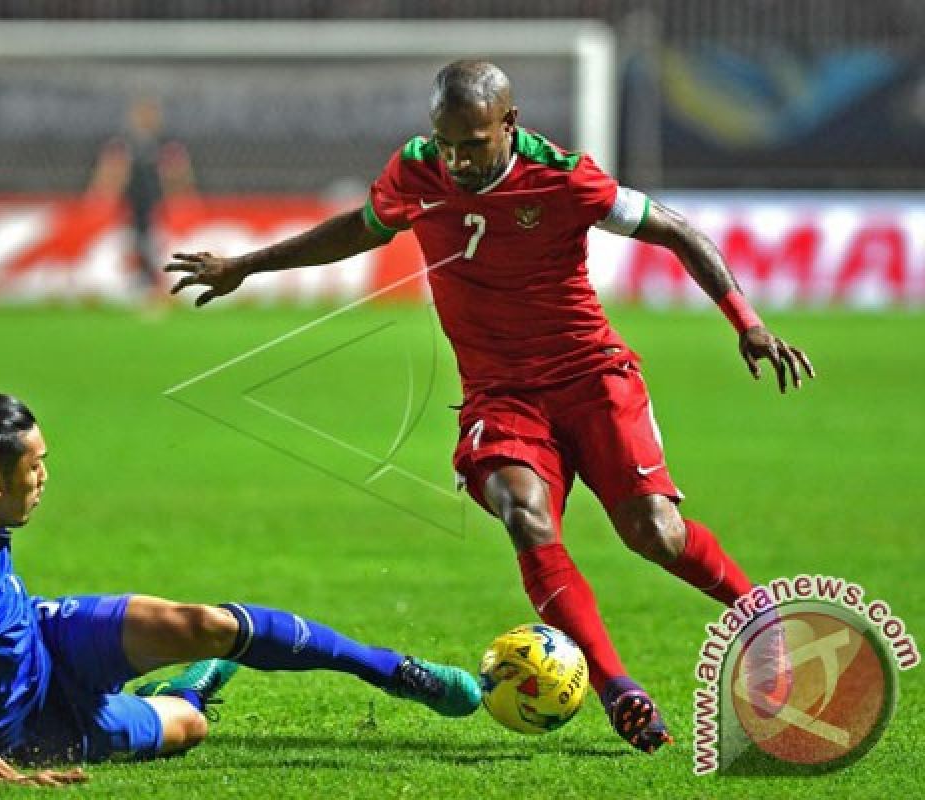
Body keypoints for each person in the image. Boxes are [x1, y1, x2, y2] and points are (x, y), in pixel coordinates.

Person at [167, 60, 815, 754]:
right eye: (445, 142)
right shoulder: (417, 171)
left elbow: (678, 231)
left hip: (591, 376)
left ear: (509, 124)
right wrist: (245, 266)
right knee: (523, 511)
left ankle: (759, 614)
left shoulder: (566, 177)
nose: (457, 159)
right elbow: (360, 228)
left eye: (473, 143)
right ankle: (616, 686)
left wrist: (746, 321)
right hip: (500, 395)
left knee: (652, 533)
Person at [0, 391, 480, 785]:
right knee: (190, 727)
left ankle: (393, 671)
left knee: (203, 619)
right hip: (35, 724)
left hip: (41, 635)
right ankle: (189, 693)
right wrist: (3, 777)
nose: (45, 476)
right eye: (34, 468)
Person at [87, 96, 193, 306]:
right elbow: (109, 172)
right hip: (129, 209)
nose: (146, 120)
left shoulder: (165, 143)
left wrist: (182, 196)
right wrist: (100, 195)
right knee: (132, 247)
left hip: (156, 209)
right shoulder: (123, 143)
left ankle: (155, 290)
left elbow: (180, 173)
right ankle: (137, 288)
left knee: (154, 249)